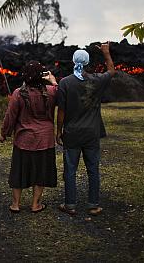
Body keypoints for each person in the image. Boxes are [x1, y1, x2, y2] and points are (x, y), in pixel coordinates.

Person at [56, 42, 116, 216]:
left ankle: (70, 205)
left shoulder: (65, 83)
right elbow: (112, 72)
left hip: (72, 133)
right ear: (88, 63)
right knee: (93, 170)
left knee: (70, 170)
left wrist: (58, 132)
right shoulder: (97, 80)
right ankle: (93, 205)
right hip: (92, 133)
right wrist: (106, 53)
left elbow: (61, 111)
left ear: (73, 61)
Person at [0, 61, 58, 213]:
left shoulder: (18, 93)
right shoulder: (52, 91)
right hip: (45, 140)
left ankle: (15, 204)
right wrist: (54, 81)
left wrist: (3, 133)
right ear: (41, 76)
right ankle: (35, 205)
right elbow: (63, 96)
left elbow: (10, 116)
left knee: (19, 172)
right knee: (41, 172)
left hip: (23, 140)